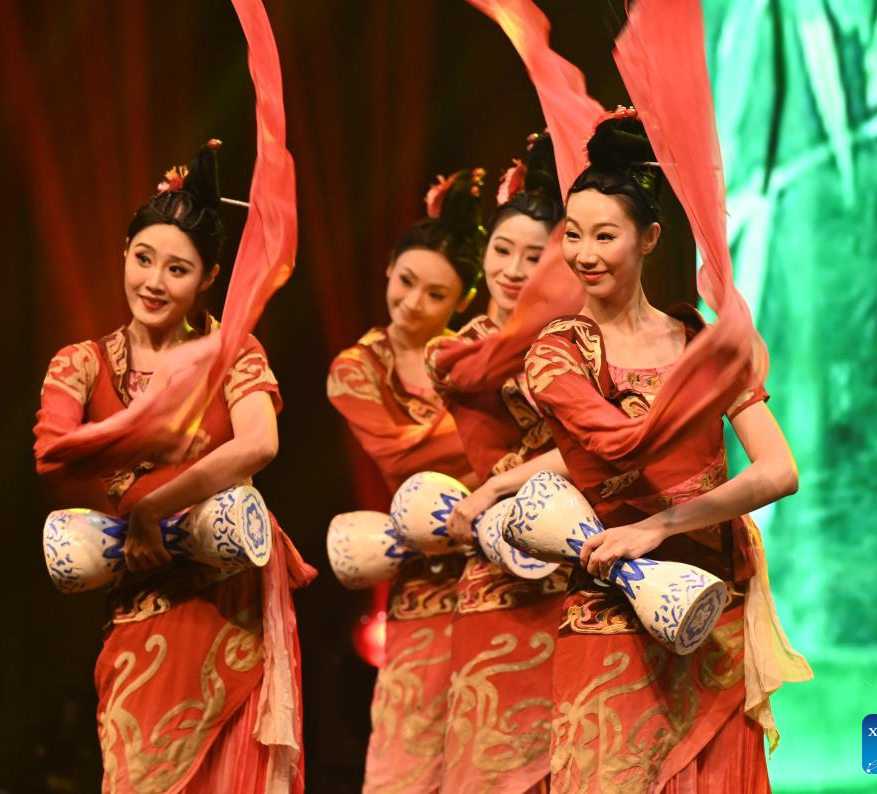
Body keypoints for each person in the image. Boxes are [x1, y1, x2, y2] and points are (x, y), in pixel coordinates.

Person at [522, 116, 808, 793]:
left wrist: (660, 524)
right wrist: (714, 368)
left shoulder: (697, 340)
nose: (584, 253)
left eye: (605, 235)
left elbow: (779, 471)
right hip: (612, 613)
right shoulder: (558, 352)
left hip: (710, 606)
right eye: (572, 234)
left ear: (649, 238)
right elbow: (618, 444)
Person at [34, 141, 314, 794]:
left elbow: (259, 444)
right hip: (140, 591)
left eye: (178, 269)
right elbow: (52, 452)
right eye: (143, 259)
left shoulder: (232, 351)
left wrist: (153, 506)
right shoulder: (81, 363)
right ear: (123, 254)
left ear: (209, 277)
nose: (154, 282)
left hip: (229, 592)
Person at [425, 134, 577, 793]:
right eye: (502, 250)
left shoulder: (588, 342)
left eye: (535, 258)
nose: (513, 270)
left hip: (584, 561)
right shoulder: (459, 354)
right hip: (502, 564)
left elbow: (604, 449)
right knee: (489, 761)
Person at [326, 169, 485, 793]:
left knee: (493, 750)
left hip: (497, 572)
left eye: (436, 293)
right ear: (389, 269)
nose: (414, 302)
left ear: (463, 302)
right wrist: (491, 448)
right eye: (407, 281)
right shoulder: (357, 367)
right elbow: (400, 461)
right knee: (408, 757)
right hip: (422, 576)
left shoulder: (472, 354)